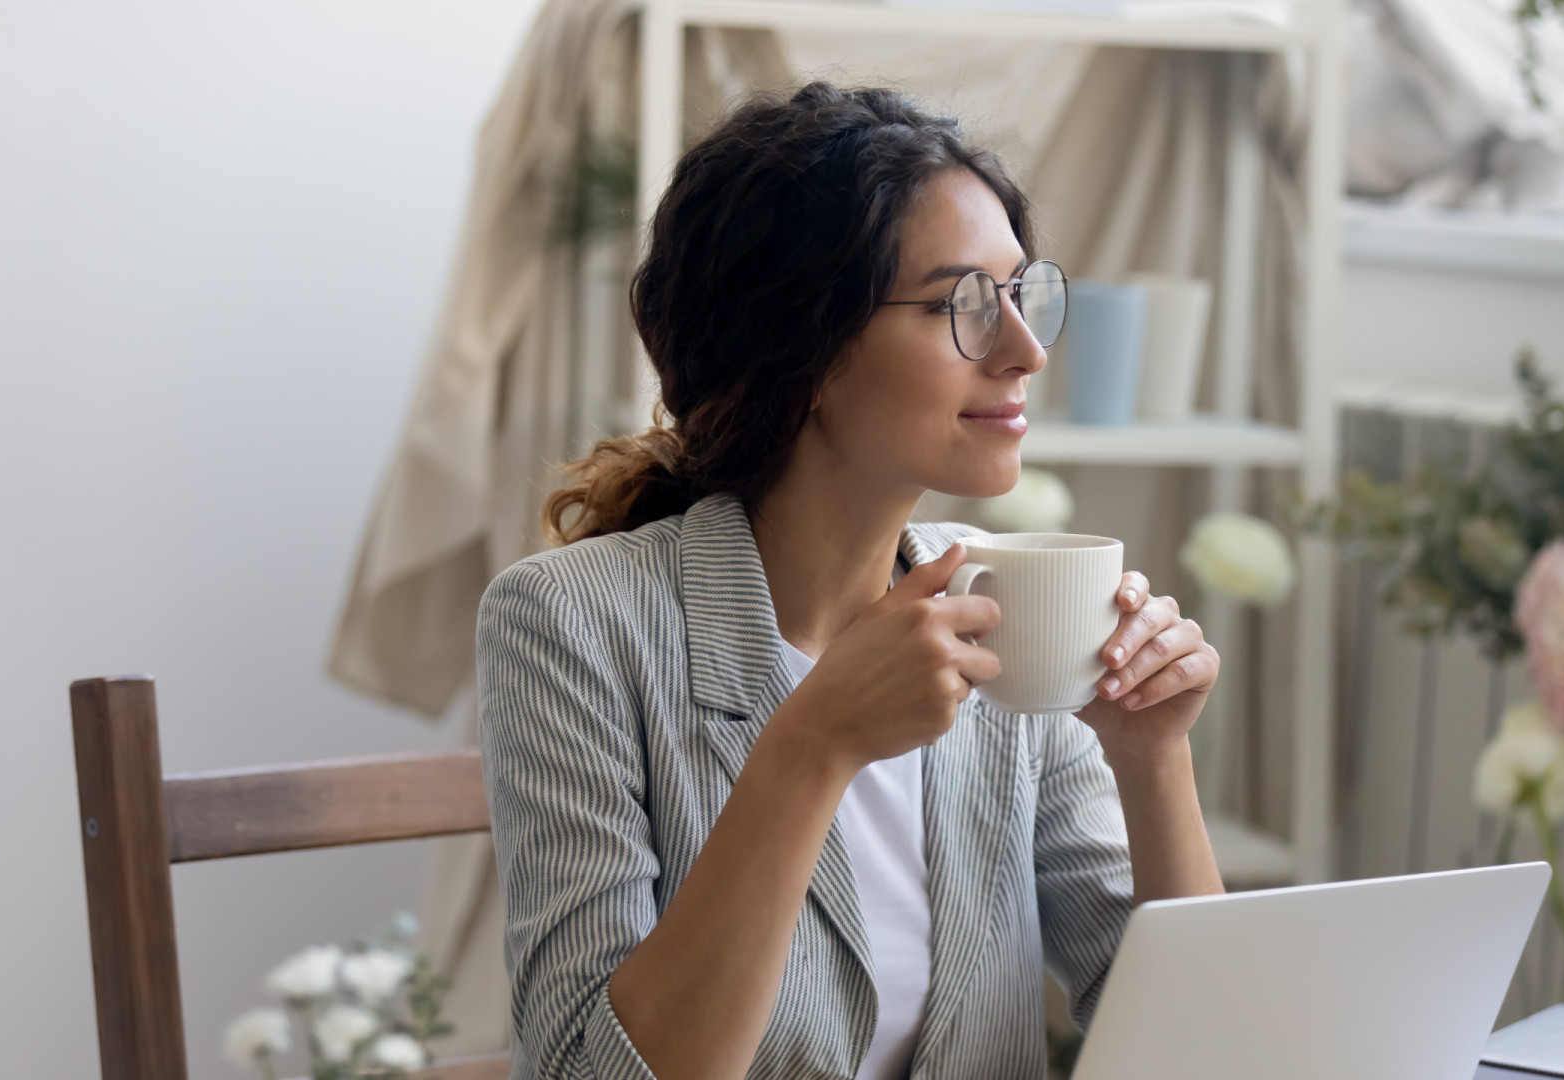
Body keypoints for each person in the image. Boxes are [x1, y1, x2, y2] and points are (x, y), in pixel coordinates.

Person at [477, 82, 1224, 1080]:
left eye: (1019, 293)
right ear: (806, 352)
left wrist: (1152, 757)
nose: (1025, 351)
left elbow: (1204, 1051)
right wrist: (813, 745)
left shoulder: (1007, 608)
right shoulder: (571, 625)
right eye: (961, 304)